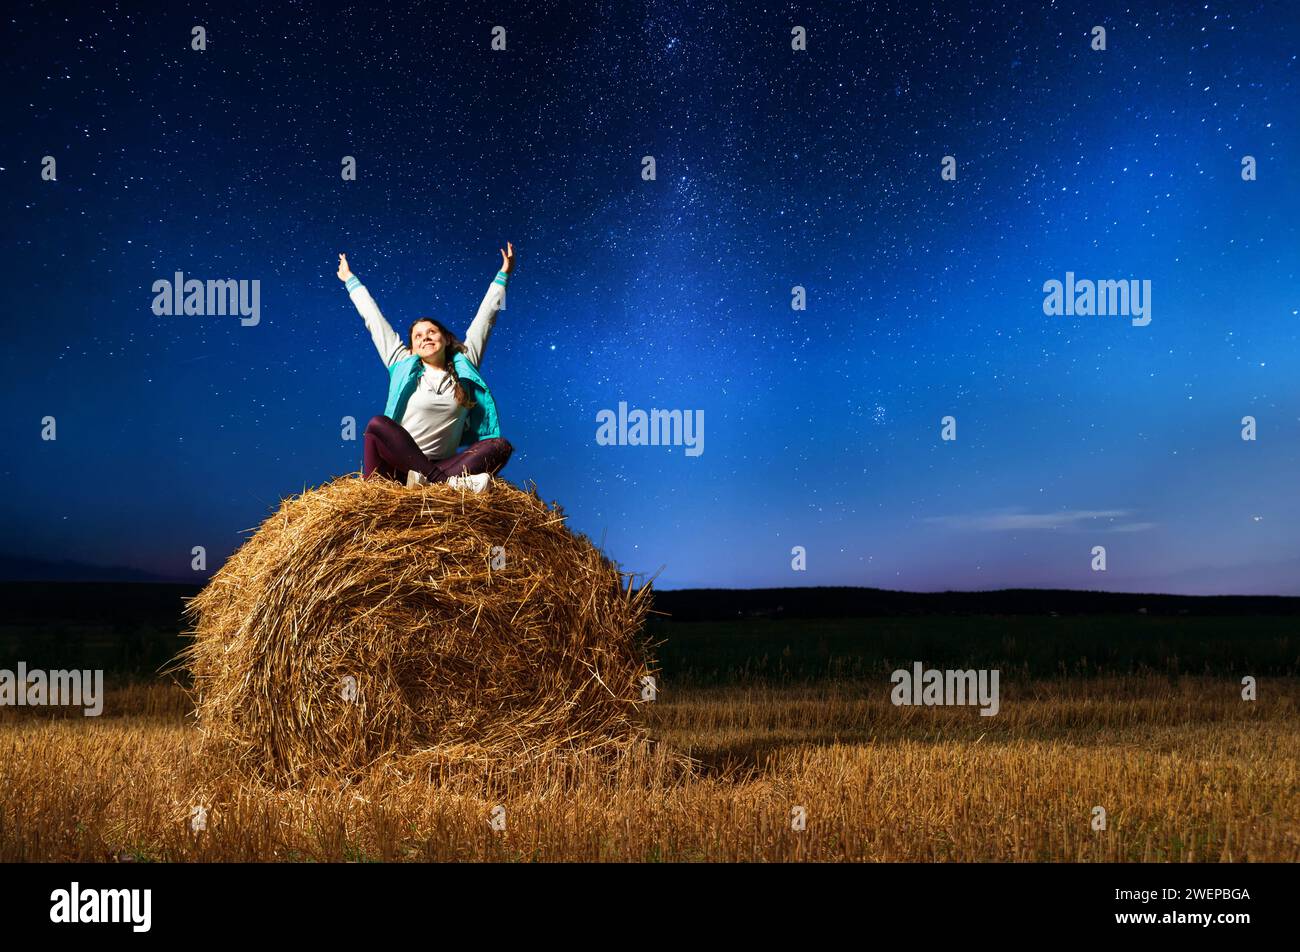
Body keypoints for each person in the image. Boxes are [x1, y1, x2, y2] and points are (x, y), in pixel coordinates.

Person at [337, 245, 516, 491]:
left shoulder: (465, 363)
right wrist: (350, 280)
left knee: (499, 446)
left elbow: (485, 319)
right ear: (412, 347)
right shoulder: (401, 362)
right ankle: (444, 486)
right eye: (418, 336)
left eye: (432, 331)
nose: (425, 337)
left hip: (444, 465)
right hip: (395, 472)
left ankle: (432, 483)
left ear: (445, 338)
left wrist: (503, 275)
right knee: (377, 425)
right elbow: (374, 320)